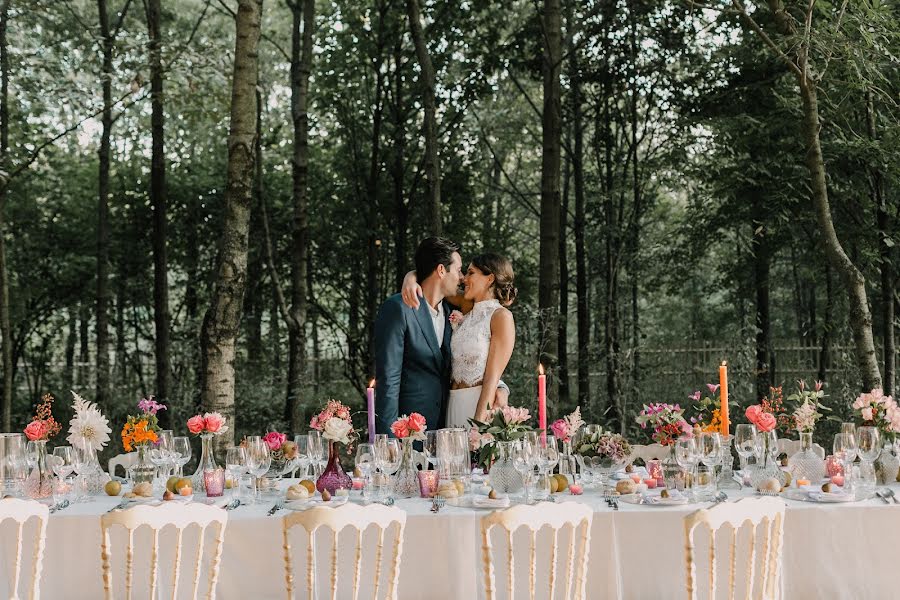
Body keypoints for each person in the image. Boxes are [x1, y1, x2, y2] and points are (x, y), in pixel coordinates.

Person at [374, 238, 509, 435]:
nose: (462, 278)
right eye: (459, 270)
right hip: (408, 431)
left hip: (446, 428)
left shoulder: (453, 312)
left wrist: (501, 387)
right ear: (440, 270)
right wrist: (387, 442)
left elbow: (476, 356)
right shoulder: (399, 309)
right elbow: (388, 381)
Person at [401, 252, 516, 426]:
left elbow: (492, 377)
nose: (464, 279)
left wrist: (479, 425)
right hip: (452, 403)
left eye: (471, 273)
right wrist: (410, 277)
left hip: (478, 404)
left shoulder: (501, 317)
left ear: (490, 278)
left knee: (473, 453)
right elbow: (434, 283)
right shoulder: (466, 305)